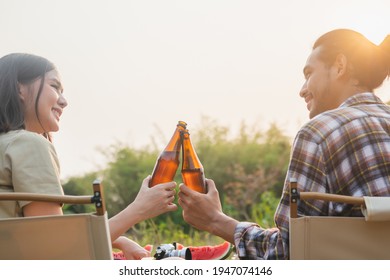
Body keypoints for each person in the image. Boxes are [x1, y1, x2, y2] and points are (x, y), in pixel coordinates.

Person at [178, 29, 390, 259]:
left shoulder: (318, 133)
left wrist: (215, 220)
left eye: (309, 73)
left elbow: (290, 251)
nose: (302, 90)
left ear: (339, 66)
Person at [0, 53, 178, 259]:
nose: (64, 101)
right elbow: (57, 251)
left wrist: (117, 239)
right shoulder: (28, 144)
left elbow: (31, 233)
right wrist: (139, 209)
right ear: (19, 88)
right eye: (54, 87)